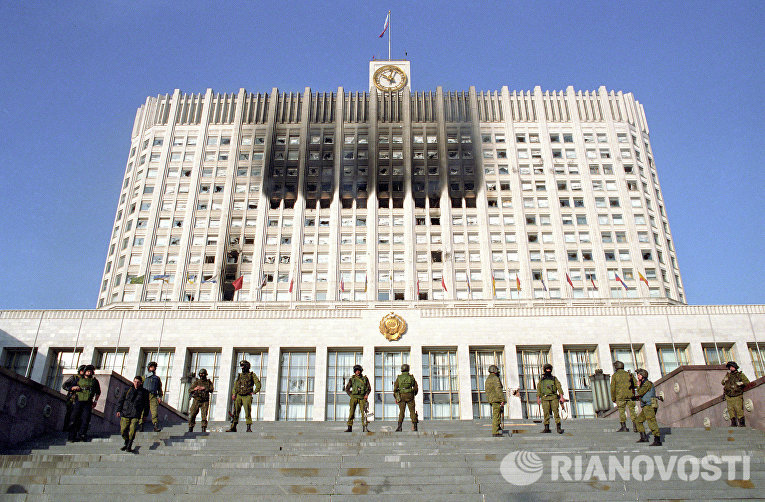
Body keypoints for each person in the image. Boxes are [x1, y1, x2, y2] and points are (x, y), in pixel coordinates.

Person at [67, 365, 101, 442]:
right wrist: (74, 388)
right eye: (88, 371)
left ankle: (82, 435)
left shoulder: (94, 381)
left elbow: (98, 392)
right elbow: (70, 388)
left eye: (91, 371)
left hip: (88, 401)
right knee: (74, 418)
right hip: (78, 400)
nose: (89, 372)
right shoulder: (79, 379)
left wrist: (95, 401)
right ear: (85, 372)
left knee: (85, 419)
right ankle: (72, 436)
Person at [116, 376, 149, 452]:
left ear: (141, 383)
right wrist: (118, 410)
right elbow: (121, 400)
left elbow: (146, 405)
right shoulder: (127, 389)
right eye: (135, 381)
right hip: (125, 412)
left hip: (136, 414)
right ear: (133, 381)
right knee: (123, 430)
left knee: (132, 430)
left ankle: (129, 445)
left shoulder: (144, 392)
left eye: (138, 382)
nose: (136, 383)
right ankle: (127, 441)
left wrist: (145, 415)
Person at [227, 360, 261, 432]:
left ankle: (248, 428)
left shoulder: (252, 375)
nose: (242, 367)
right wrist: (234, 394)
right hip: (239, 395)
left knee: (247, 412)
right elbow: (235, 385)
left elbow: (258, 384)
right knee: (236, 412)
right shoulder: (240, 375)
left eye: (243, 366)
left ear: (247, 366)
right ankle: (233, 427)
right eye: (241, 366)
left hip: (247, 396)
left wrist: (255, 391)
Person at [633, 368, 662, 446]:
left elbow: (640, 392)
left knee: (651, 422)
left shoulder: (647, 383)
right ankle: (643, 437)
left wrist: (638, 386)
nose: (638, 376)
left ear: (643, 375)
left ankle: (657, 440)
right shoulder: (644, 384)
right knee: (638, 421)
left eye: (639, 375)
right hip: (646, 406)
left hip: (649, 405)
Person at [610, 361, 638, 432]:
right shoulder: (629, 374)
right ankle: (636, 426)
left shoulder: (615, 376)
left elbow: (612, 388)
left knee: (621, 411)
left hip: (620, 396)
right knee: (632, 411)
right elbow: (635, 384)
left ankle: (624, 427)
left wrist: (613, 398)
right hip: (630, 395)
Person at [537, 363, 565, 434]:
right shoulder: (542, 380)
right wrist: (538, 398)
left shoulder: (554, 379)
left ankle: (558, 427)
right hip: (545, 398)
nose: (548, 370)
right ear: (545, 370)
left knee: (556, 412)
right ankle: (546, 428)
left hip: (553, 397)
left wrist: (561, 397)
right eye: (547, 369)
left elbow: (559, 387)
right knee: (546, 413)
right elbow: (539, 389)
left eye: (549, 369)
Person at [722, 361, 750, 427]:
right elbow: (722, 383)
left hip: (737, 394)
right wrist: (724, 380)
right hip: (728, 395)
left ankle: (742, 423)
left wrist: (741, 383)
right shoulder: (728, 375)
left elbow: (747, 382)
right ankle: (733, 423)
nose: (731, 368)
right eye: (730, 367)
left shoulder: (740, 374)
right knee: (730, 409)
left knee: (738, 409)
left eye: (732, 367)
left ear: (735, 367)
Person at [344, 364, 371, 433]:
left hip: (362, 397)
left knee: (364, 413)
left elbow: (369, 388)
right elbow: (347, 388)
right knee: (351, 412)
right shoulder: (352, 379)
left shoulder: (365, 379)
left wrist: (366, 394)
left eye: (359, 370)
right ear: (354, 371)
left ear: (361, 371)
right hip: (354, 397)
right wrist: (351, 395)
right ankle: (349, 427)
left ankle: (365, 427)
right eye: (356, 371)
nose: (357, 372)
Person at [393, 364, 418, 432]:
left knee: (401, 411)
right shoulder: (411, 377)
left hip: (402, 396)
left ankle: (399, 427)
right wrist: (413, 394)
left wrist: (396, 397)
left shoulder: (399, 378)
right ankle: (415, 426)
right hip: (410, 395)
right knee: (412, 411)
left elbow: (395, 388)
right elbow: (415, 387)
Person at [188, 368, 214, 432]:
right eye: (200, 374)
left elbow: (211, 389)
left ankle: (203, 427)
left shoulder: (208, 382)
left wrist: (204, 388)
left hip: (205, 401)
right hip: (196, 400)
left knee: (204, 415)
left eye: (203, 374)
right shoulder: (196, 382)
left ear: (205, 374)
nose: (201, 375)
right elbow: (190, 390)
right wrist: (195, 389)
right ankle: (191, 427)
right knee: (192, 414)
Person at [62, 365, 86, 432]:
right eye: (83, 370)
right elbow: (64, 386)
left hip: (81, 399)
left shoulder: (87, 380)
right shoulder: (74, 377)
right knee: (70, 413)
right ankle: (66, 428)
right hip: (72, 399)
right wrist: (72, 388)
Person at [141, 361, 163, 432]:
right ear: (149, 368)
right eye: (151, 367)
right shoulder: (144, 377)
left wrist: (160, 397)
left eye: (154, 367)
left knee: (154, 412)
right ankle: (141, 425)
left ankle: (155, 425)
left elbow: (159, 388)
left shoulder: (157, 378)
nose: (153, 368)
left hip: (153, 396)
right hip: (144, 396)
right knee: (143, 411)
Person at [484, 365, 506, 437]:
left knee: (497, 413)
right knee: (496, 415)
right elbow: (498, 389)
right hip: (496, 399)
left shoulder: (488, 379)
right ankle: (495, 431)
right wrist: (502, 399)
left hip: (491, 399)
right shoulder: (495, 378)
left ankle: (498, 426)